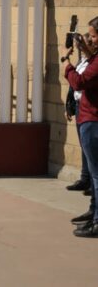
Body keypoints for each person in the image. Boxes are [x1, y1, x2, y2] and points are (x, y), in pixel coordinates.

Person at [63, 18, 98, 237]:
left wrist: (66, 67)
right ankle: (94, 213)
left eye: (93, 36)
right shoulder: (94, 57)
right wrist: (85, 49)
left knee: (96, 176)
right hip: (88, 119)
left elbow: (80, 81)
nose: (91, 39)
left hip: (93, 121)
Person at [66, 32, 96, 195]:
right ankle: (85, 178)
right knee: (84, 145)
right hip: (79, 106)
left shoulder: (93, 62)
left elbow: (78, 82)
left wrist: (68, 66)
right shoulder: (83, 60)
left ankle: (92, 182)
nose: (82, 46)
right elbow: (73, 86)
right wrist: (68, 106)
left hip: (89, 109)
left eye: (90, 39)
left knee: (90, 147)